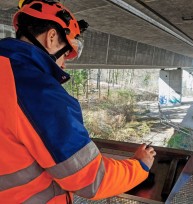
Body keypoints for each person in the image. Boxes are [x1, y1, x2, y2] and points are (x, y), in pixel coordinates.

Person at [0, 0, 156, 203]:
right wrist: (140, 166)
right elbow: (91, 179)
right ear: (52, 37)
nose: (64, 63)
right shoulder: (39, 91)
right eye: (65, 53)